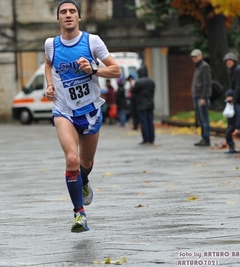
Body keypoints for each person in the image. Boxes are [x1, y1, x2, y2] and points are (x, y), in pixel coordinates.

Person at [44, 0, 121, 233]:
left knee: (86, 163)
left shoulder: (92, 41)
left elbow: (116, 70)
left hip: (90, 112)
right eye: (63, 12)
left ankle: (84, 181)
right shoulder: (50, 44)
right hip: (63, 110)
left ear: (78, 17)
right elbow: (48, 64)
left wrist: (93, 70)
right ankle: (79, 214)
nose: (68, 15)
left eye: (72, 11)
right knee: (72, 159)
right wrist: (49, 85)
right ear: (58, 18)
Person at [190, 49, 212, 147]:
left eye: (196, 56)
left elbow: (207, 83)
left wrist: (204, 97)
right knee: (200, 118)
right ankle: (203, 137)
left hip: (201, 96)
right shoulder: (198, 67)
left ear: (201, 56)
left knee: (204, 118)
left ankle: (206, 138)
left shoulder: (204, 67)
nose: (194, 58)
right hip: (197, 96)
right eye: (193, 57)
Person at [131, 65, 155, 144]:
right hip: (150, 104)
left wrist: (132, 84)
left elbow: (133, 91)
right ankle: (151, 138)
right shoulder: (151, 82)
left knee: (143, 122)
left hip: (141, 105)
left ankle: (146, 139)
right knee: (150, 121)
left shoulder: (138, 82)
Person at [223, 89, 240, 154]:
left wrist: (237, 127)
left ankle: (231, 147)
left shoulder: (236, 106)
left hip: (234, 124)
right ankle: (231, 147)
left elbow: (238, 116)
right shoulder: (229, 105)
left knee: (227, 135)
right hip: (231, 123)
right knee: (227, 134)